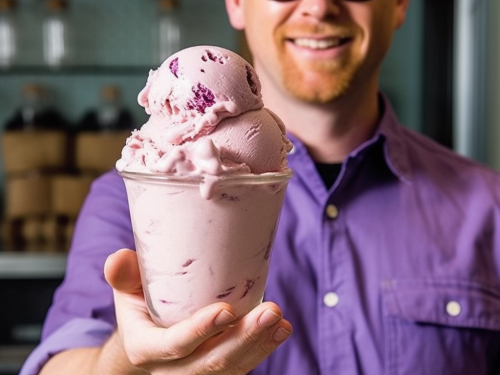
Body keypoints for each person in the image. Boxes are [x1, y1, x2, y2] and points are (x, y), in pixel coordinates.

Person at [21, 0, 500, 374]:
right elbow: (62, 363)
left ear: (397, 5)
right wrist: (129, 357)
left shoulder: (488, 208)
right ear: (236, 4)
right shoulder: (134, 196)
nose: (318, 7)